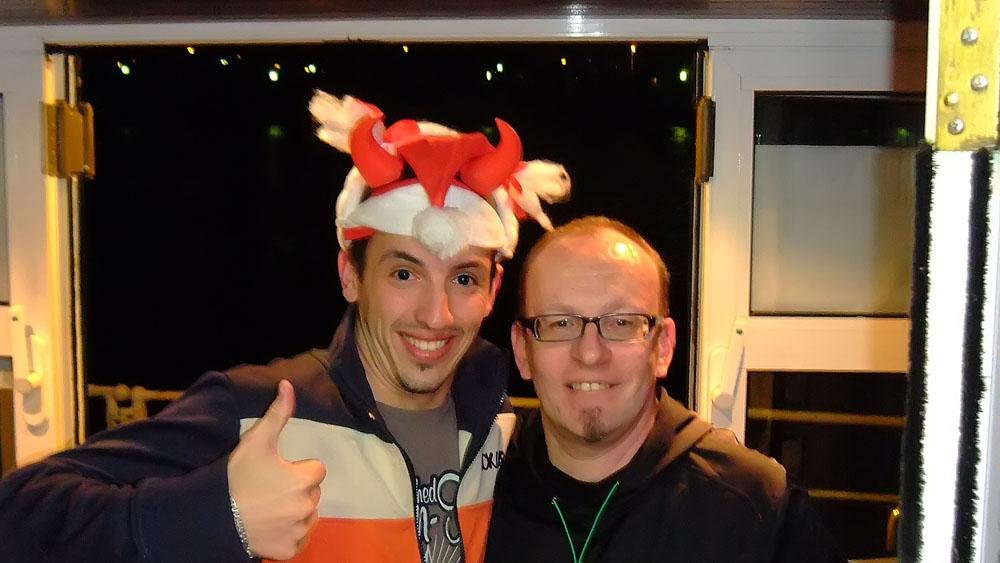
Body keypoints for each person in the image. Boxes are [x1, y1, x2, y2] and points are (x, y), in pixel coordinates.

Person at [0, 92, 570, 563]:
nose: (436, 315)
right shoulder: (260, 409)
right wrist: (218, 515)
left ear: (493, 291)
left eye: (464, 279)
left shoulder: (500, 426)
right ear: (350, 275)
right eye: (404, 273)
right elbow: (18, 512)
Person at [485, 216, 844, 563]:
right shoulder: (479, 485)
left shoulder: (756, 506)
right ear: (522, 350)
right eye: (560, 323)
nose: (590, 353)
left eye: (622, 323)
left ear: (663, 347)